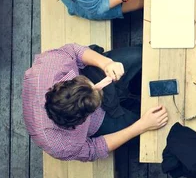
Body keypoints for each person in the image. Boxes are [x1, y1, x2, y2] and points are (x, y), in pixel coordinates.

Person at [22, 43, 168, 162]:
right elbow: (95, 149)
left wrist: (106, 64)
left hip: (92, 73)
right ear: (80, 121)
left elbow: (75, 51)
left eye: (92, 86)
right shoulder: (61, 145)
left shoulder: (51, 66)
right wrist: (141, 126)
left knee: (139, 55)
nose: (101, 86)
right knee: (154, 121)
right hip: (99, 122)